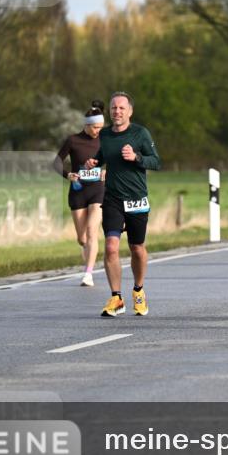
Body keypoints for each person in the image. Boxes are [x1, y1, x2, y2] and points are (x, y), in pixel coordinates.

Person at [85, 92, 161, 316]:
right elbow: (102, 155)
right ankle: (116, 298)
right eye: (113, 108)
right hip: (113, 199)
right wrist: (95, 162)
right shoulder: (106, 134)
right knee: (111, 246)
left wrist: (137, 157)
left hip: (137, 198)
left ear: (130, 111)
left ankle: (138, 290)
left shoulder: (140, 133)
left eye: (121, 108)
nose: (117, 111)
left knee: (137, 248)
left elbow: (156, 161)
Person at [55, 100, 106, 287]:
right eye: (95, 127)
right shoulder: (73, 140)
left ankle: (88, 273)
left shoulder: (104, 140)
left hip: (98, 191)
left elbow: (117, 160)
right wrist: (67, 174)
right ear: (86, 125)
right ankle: (87, 251)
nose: (98, 131)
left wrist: (107, 171)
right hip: (78, 192)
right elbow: (56, 162)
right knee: (82, 238)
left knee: (93, 231)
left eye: (101, 127)